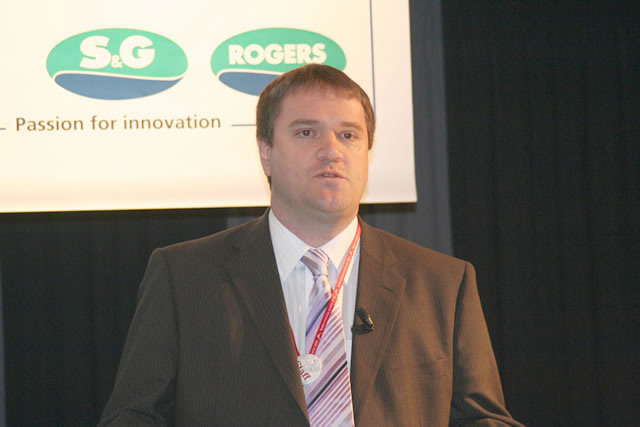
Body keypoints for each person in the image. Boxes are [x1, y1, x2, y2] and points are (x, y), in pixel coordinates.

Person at [100, 64, 522, 426]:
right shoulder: (184, 277)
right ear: (266, 153)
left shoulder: (442, 283)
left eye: (348, 135)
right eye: (307, 132)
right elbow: (134, 416)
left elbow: (482, 419)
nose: (331, 151)